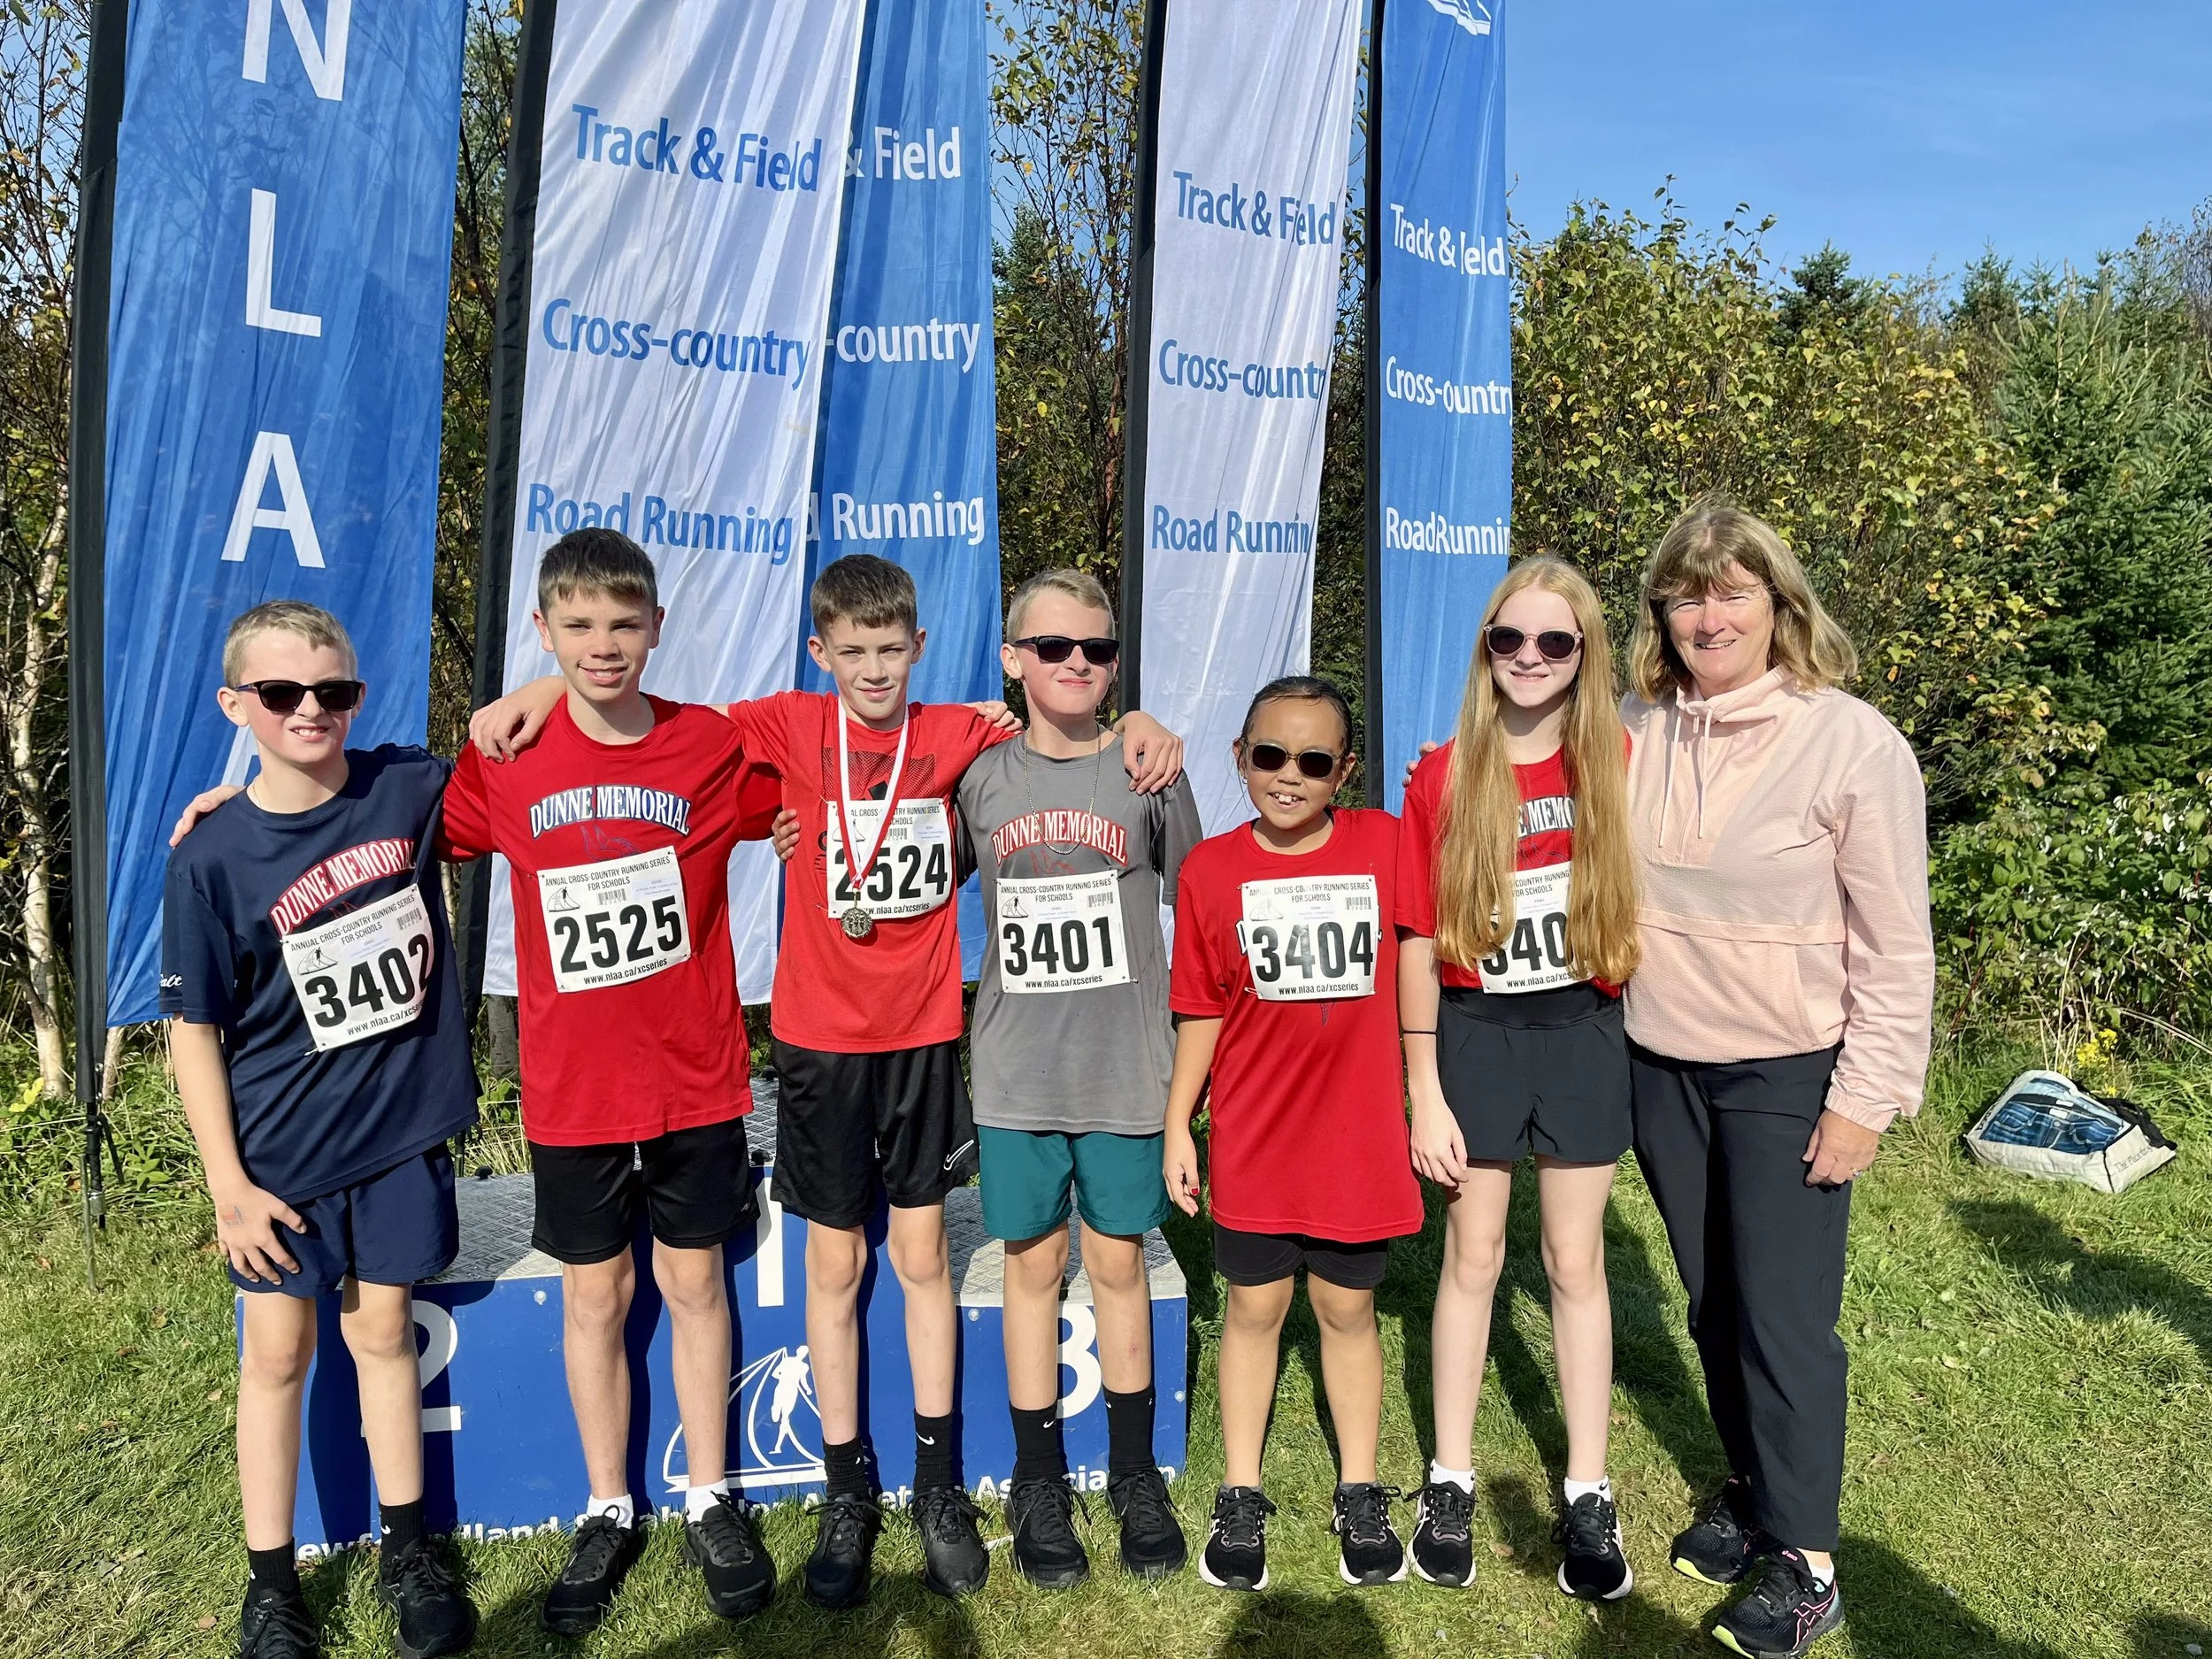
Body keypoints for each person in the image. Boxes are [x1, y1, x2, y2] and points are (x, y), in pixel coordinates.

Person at [470, 552, 1183, 1609]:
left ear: (922, 652)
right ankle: (849, 1486)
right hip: (813, 1044)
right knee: (835, 1266)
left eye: (891, 651)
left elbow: (1062, 715)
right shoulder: (781, 728)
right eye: (852, 652)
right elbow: (644, 704)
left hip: (922, 1037)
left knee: (923, 1256)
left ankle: (937, 1485)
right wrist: (541, 686)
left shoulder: (956, 735)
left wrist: (1141, 722)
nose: (874, 669)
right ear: (820, 654)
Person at [434, 528, 794, 1632]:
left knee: (693, 1289)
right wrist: (240, 801)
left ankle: (710, 1495)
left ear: (657, 630)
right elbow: (390, 816)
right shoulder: (506, 759)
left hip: (694, 1080)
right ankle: (607, 1506)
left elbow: (833, 770)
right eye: (578, 628)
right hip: (574, 1089)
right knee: (596, 1296)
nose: (603, 646)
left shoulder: (711, 746)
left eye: (624, 625)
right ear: (544, 632)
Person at [1622, 501, 1933, 1659]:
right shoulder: (1637, 723)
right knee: (1712, 1301)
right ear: (1663, 610)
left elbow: (1897, 941)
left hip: (1791, 1068)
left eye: (1733, 590)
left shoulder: (1851, 743)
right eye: (1688, 593)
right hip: (1661, 1060)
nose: (1710, 614)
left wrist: (1868, 1090)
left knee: (1786, 1321)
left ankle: (1807, 1561)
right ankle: (1755, 1487)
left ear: (1780, 603)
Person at [164, 601, 479, 1659]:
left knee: (384, 1336)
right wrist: (228, 1187)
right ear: (235, 705)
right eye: (281, 694)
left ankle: (407, 1553)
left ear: (357, 696)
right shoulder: (212, 857)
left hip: (393, 1140)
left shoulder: (405, 786)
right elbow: (193, 1033)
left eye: (332, 691)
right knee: (278, 1354)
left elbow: (519, 726)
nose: (311, 710)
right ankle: (271, 1582)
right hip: (278, 1164)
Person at [1396, 557, 1643, 1601]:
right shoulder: (1442, 773)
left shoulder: (1620, 759)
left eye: (1555, 642)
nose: (1531, 659)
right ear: (1486, 650)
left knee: (1575, 1259)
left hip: (1585, 1028)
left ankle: (1588, 1489)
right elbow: (1414, 935)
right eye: (1511, 640)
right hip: (1473, 1033)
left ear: (1585, 653)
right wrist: (1424, 1088)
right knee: (1474, 1252)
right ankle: (1448, 1478)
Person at [955, 568, 1201, 1588]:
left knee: (1118, 1264)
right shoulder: (975, 775)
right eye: (1051, 648)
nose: (1076, 666)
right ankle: (1038, 1476)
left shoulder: (1147, 773)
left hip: (1122, 1073)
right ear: (1014, 659)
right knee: (1029, 1265)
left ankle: (1136, 1472)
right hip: (1015, 1075)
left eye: (1096, 651)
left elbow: (1207, 897)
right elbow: (895, 868)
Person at [1164, 675, 1423, 1593]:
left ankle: (1359, 1489)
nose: (1288, 776)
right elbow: (1198, 1007)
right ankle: (1241, 1492)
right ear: (1239, 757)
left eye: (1314, 761)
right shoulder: (1209, 872)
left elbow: (1466, 863)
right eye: (1269, 755)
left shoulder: (1385, 846)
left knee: (1347, 1312)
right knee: (1253, 1309)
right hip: (1253, 1136)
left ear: (1344, 771)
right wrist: (1176, 1126)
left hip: (1354, 1141)